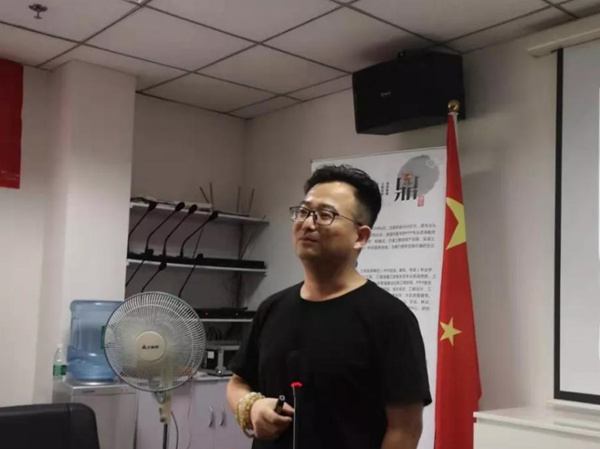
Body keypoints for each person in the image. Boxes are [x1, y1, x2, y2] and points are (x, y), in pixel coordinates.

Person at [227, 164, 431, 449]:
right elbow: (238, 383)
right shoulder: (272, 308)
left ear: (360, 237)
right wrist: (251, 407)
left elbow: (405, 430)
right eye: (303, 212)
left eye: (325, 215)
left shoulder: (391, 318)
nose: (308, 224)